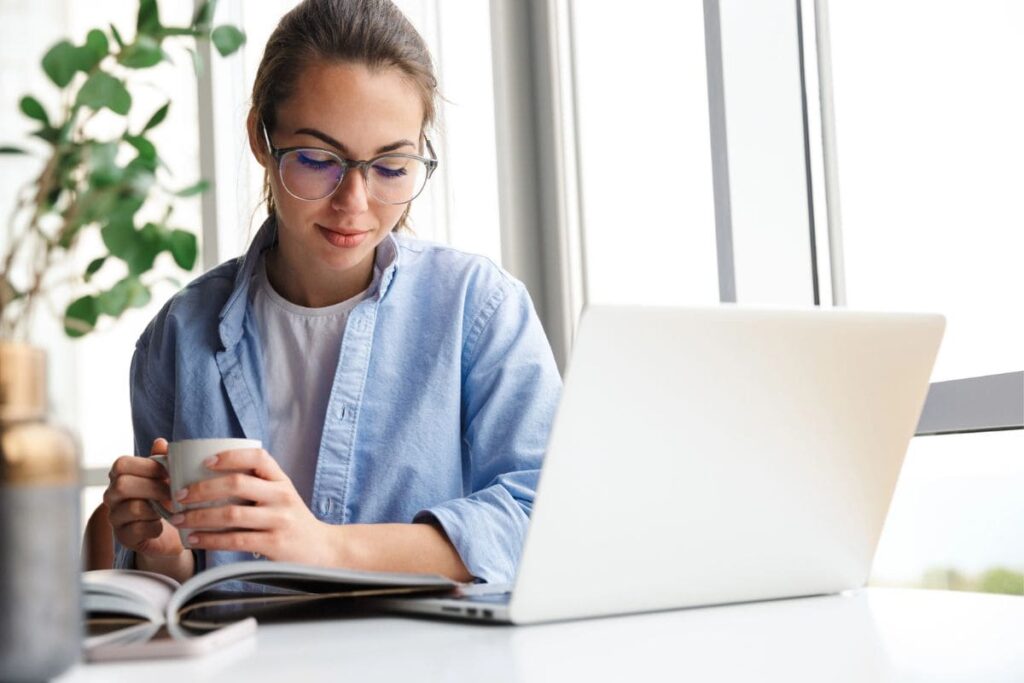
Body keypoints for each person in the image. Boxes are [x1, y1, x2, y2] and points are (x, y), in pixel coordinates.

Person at [101, 0, 560, 586]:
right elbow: (175, 590)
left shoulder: (478, 308)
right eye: (318, 160)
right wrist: (162, 548)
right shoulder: (178, 335)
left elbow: (539, 520)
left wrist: (325, 546)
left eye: (392, 168)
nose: (355, 203)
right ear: (261, 140)